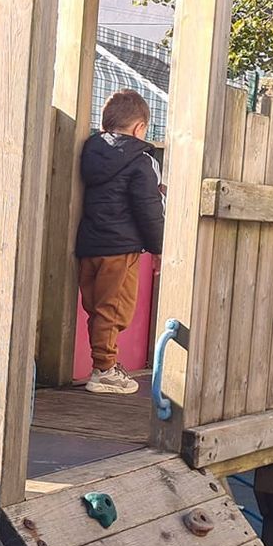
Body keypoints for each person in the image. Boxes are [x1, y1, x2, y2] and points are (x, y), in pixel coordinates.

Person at [74, 89, 164, 395]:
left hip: (90, 246)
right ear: (139, 128)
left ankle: (105, 364)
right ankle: (104, 370)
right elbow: (149, 208)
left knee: (98, 309)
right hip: (121, 247)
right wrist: (160, 247)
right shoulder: (141, 160)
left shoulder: (90, 151)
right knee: (115, 310)